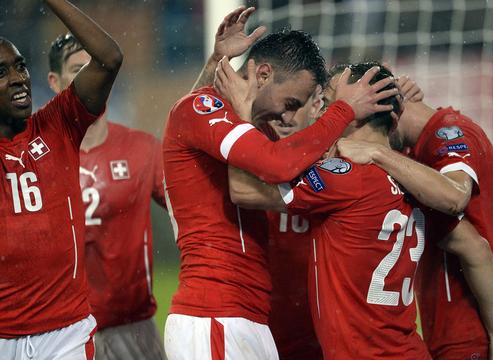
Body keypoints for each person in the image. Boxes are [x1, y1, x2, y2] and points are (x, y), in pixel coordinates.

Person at [162, 26, 397, 359]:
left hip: (249, 317)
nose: (287, 116)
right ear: (263, 74)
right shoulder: (201, 109)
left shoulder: (250, 128)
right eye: (289, 102)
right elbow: (275, 165)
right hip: (213, 311)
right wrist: (344, 110)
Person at [226, 62, 429, 359]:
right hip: (406, 348)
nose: (326, 113)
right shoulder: (413, 177)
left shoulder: (342, 175)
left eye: (334, 103)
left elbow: (242, 191)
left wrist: (242, 115)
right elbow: (472, 240)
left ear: (361, 112)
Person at [336, 73, 493, 359]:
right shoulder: (419, 151)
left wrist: (377, 152)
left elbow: (456, 197)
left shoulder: (449, 134)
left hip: (478, 336)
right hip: (475, 333)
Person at [0, 0, 122, 358]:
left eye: (20, 66)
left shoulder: (57, 124)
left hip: (64, 332)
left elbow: (109, 58)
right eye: (1, 72)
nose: (19, 79)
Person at [47, 33, 166, 359]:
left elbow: (189, 203)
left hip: (134, 328)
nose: (91, 77)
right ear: (55, 82)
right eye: (77, 69)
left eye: (96, 66)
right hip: (62, 333)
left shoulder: (142, 149)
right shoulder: (38, 160)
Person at [267, 85, 324, 359]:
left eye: (293, 104)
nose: (282, 115)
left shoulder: (340, 164)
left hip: (326, 338)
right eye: (278, 105)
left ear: (316, 104)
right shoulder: (246, 165)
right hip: (263, 335)